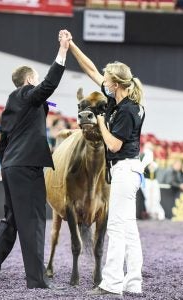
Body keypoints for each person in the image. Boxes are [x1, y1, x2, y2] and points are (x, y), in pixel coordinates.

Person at [0, 32, 70, 289]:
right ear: (28, 80)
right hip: (26, 167)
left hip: (11, 166)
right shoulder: (26, 93)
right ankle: (37, 281)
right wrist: (62, 52)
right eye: (35, 80)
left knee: (11, 222)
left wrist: (7, 166)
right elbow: (48, 85)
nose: (37, 83)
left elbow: (2, 142)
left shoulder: (11, 106)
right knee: (34, 223)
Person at [62, 30, 144, 296]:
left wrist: (99, 122)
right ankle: (133, 282)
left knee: (117, 229)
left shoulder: (127, 110)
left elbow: (114, 145)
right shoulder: (119, 101)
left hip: (123, 169)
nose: (104, 81)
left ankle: (111, 284)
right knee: (129, 229)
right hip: (128, 170)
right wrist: (72, 45)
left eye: (107, 79)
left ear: (116, 84)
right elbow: (89, 69)